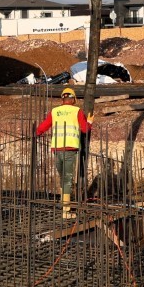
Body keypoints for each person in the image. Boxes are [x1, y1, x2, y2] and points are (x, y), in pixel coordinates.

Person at [35, 87, 90, 218]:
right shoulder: (77, 111)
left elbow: (43, 126)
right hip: (69, 149)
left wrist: (37, 133)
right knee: (67, 179)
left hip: (56, 149)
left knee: (62, 177)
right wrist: (90, 122)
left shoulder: (55, 111)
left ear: (62, 99)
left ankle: (64, 203)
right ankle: (66, 211)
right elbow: (85, 129)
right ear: (73, 99)